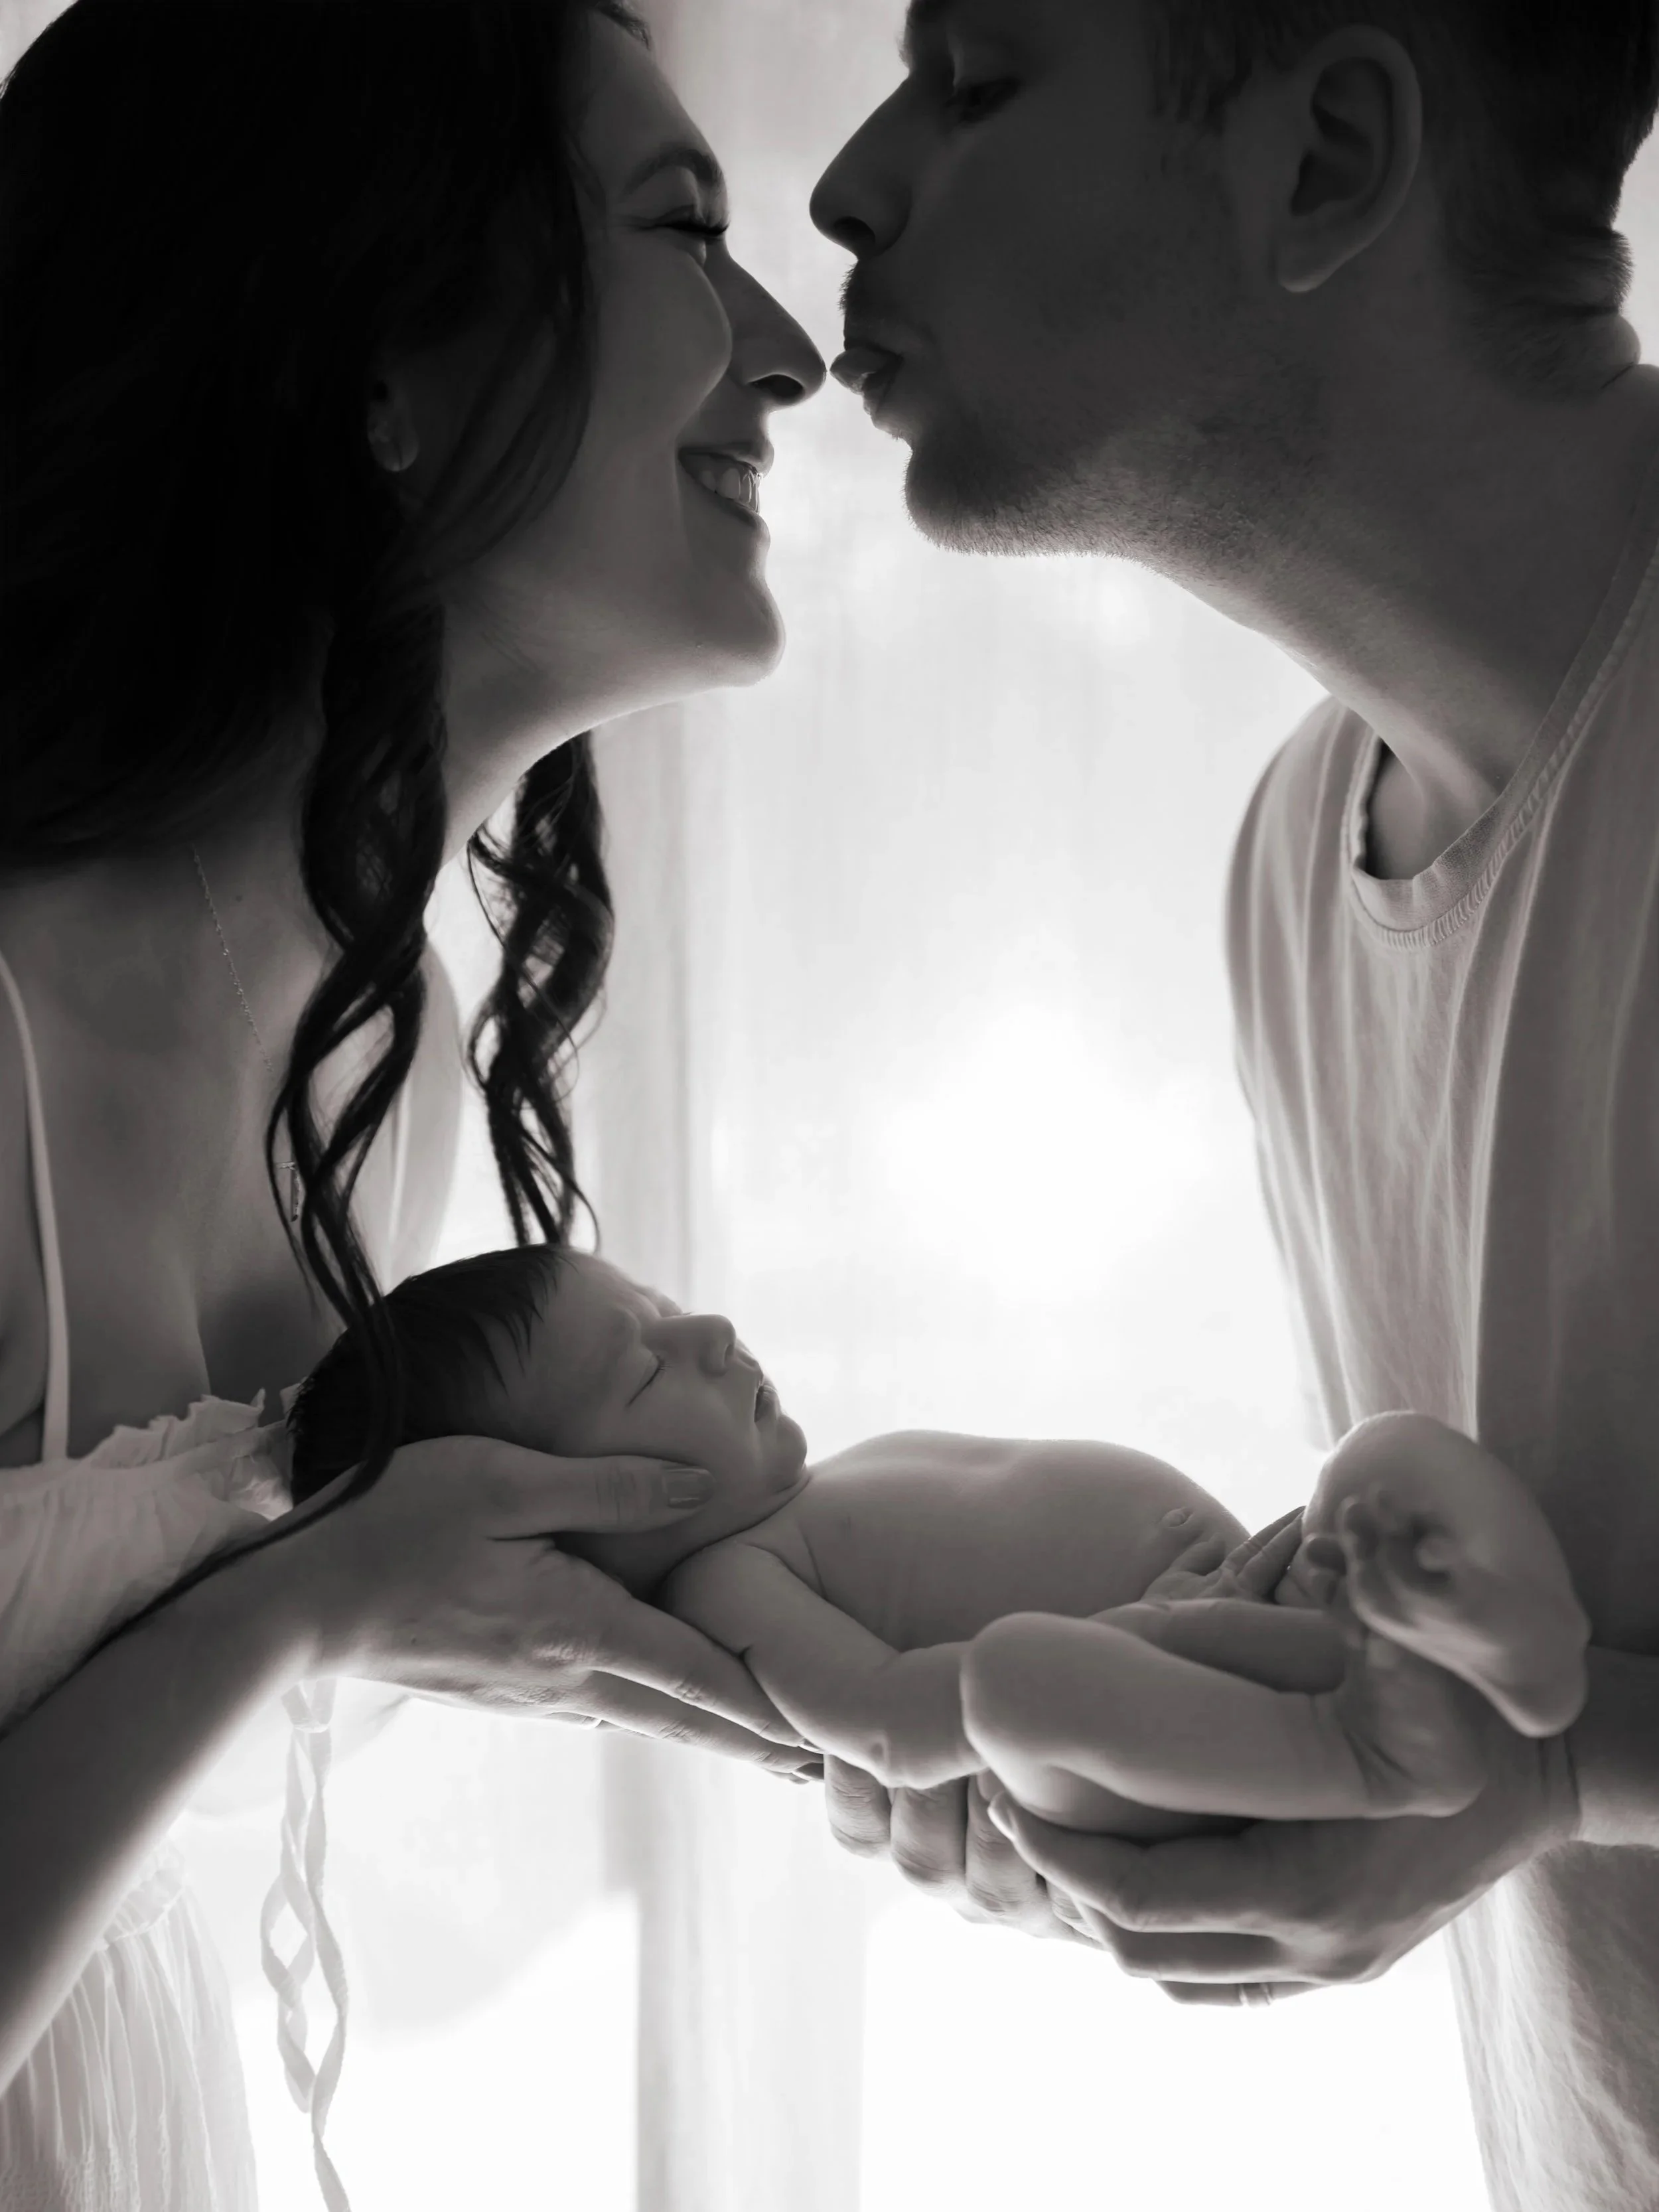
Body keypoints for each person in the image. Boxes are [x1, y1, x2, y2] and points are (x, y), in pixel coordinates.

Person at [808, 3, 1659, 2207]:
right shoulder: (1294, 860)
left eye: (976, 82)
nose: (847, 188)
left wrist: (1550, 1783)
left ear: (1328, 153)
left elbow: (1551, 1749)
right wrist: (1211, 1708)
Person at [0, 3, 825, 2207]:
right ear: (389, 369)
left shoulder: (385, 1078)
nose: (790, 356)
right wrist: (309, 1601)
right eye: (685, 232)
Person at [291, 1246, 1591, 1836]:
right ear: (566, 1529)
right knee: (1013, 1679)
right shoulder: (733, 1582)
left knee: (1371, 1463)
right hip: (1134, 1741)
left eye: (668, 1306)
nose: (711, 1334)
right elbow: (889, 1728)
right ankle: (1367, 1749)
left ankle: (1505, 1634)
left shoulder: (809, 1499)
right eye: (646, 1369)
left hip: (1228, 1614)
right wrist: (1135, 1638)